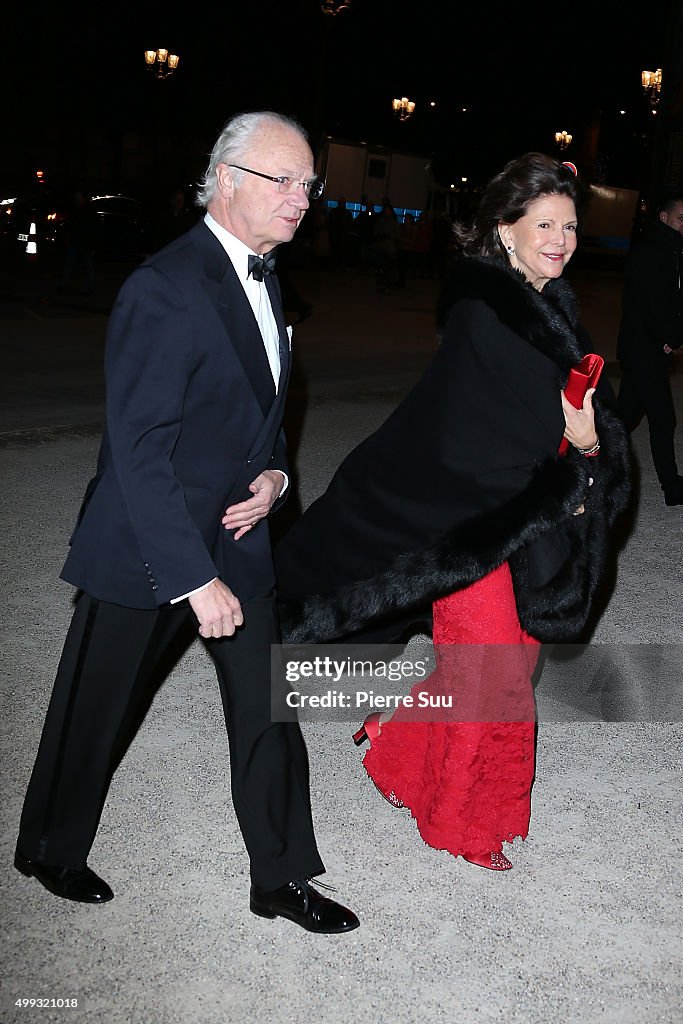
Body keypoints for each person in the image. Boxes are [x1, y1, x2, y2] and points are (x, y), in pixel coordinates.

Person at [15, 111, 359, 935]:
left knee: (266, 708)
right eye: (285, 179)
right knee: (97, 702)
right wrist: (192, 578)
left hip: (239, 534)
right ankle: (50, 847)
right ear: (229, 178)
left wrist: (278, 474)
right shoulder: (163, 286)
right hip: (149, 540)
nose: (301, 197)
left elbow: (265, 416)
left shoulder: (269, 277)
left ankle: (279, 876)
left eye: (308, 183)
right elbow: (138, 450)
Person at [275, 153, 631, 870]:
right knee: (491, 674)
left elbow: (560, 421)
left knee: (508, 660)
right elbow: (483, 441)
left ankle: (393, 739)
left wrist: (586, 442)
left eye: (567, 225)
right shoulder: (484, 315)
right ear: (504, 229)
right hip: (467, 525)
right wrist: (579, 449)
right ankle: (462, 823)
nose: (559, 239)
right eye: (542, 224)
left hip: (525, 519)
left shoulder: (549, 307)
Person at [616, 193, 683, 506]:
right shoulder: (652, 251)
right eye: (682, 218)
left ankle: (579, 461)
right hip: (644, 347)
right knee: (662, 419)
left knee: (624, 417)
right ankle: (672, 488)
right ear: (664, 217)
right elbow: (652, 306)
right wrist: (672, 335)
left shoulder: (671, 249)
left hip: (648, 346)